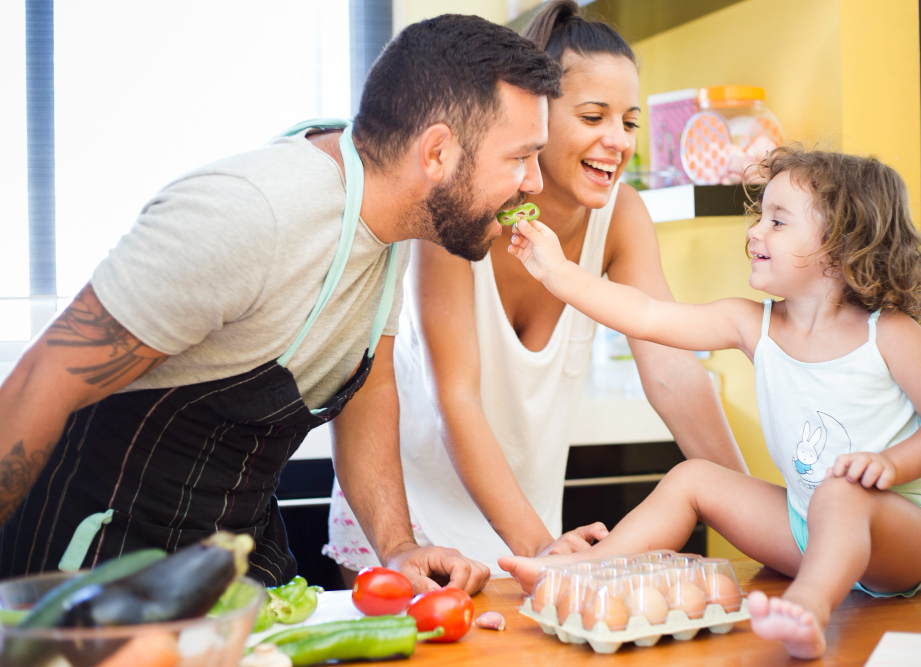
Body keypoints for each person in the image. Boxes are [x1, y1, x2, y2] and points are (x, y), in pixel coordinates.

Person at [0, 14, 563, 594]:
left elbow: (368, 388)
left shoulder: (391, 223)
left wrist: (397, 547)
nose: (535, 184)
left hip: (236, 564)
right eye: (521, 157)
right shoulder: (249, 213)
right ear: (437, 152)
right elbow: (40, 382)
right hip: (91, 563)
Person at [326, 0, 748, 585]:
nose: (617, 142)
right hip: (408, 525)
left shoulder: (622, 216)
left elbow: (674, 373)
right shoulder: (461, 212)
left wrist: (769, 520)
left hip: (524, 527)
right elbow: (457, 399)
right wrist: (543, 548)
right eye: (594, 116)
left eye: (628, 122)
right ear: (536, 116)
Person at [500, 145, 921, 658]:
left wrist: (890, 463)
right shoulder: (755, 324)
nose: (754, 232)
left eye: (778, 221)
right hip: (806, 525)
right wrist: (556, 271)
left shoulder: (890, 334)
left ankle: (808, 610)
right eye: (759, 217)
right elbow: (647, 315)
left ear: (840, 246)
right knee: (694, 477)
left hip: (907, 538)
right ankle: (582, 570)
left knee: (840, 492)